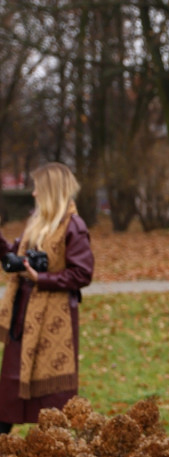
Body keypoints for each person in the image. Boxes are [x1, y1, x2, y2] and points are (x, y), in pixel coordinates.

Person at [0, 163, 93, 434]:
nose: (34, 193)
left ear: (51, 190)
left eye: (38, 187)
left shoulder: (73, 226)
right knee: (8, 393)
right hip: (23, 320)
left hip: (54, 323)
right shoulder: (36, 223)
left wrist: (42, 279)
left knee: (53, 403)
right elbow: (15, 257)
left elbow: (82, 274)